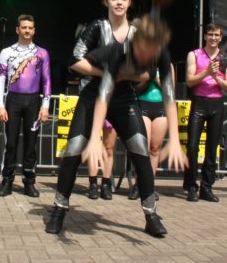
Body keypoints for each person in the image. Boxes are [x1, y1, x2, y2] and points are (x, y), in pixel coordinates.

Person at [46, 13, 188, 238]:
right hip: (94, 94)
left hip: (124, 98)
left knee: (141, 150)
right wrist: (94, 139)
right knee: (73, 149)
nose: (147, 55)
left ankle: (151, 215)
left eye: (152, 50)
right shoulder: (118, 51)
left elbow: (169, 96)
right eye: (144, 49)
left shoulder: (160, 52)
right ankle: (59, 209)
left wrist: (176, 141)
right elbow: (103, 96)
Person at [70, 0, 133, 201]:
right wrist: (103, 72)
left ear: (130, 2)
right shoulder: (96, 28)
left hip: (115, 99)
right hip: (93, 96)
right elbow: (75, 60)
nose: (119, 2)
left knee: (109, 146)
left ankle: (107, 183)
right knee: (91, 142)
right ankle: (92, 183)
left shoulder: (134, 33)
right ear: (106, 1)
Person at [0, 14, 51, 197]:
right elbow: (0, 79)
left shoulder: (42, 53)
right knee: (10, 143)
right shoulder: (6, 52)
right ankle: (7, 180)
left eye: (30, 28)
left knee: (31, 143)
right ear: (17, 30)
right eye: (24, 27)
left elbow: (46, 80)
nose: (27, 30)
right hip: (13, 100)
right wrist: (0, 105)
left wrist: (45, 105)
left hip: (33, 101)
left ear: (34, 30)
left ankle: (29, 181)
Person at [183, 23, 227, 202]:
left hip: (216, 104)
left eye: (216, 35)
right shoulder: (194, 54)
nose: (213, 38)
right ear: (205, 36)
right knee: (192, 146)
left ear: (221, 38)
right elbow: (189, 81)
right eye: (210, 34)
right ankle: (191, 186)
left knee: (212, 148)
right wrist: (206, 72)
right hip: (198, 102)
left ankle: (206, 187)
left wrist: (215, 77)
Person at [128, 63, 175, 200]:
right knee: (143, 147)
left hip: (161, 107)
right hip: (143, 105)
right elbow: (135, 88)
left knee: (155, 148)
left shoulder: (168, 65)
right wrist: (148, 77)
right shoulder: (142, 62)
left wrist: (156, 78)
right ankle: (138, 185)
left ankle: (149, 186)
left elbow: (170, 89)